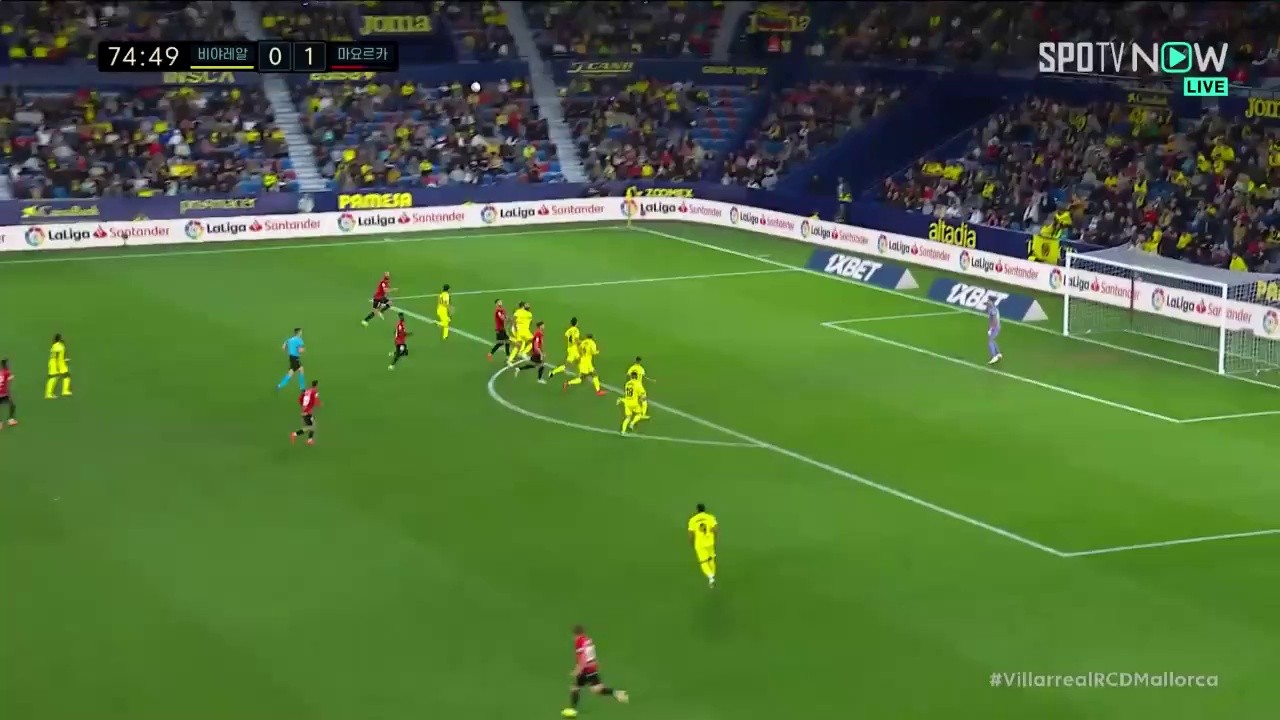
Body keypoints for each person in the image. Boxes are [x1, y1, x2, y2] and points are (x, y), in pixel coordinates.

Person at [562, 625, 629, 718]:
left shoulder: (579, 641)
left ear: (576, 634)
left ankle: (572, 710)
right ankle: (617, 693)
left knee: (576, 688)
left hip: (585, 669)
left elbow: (583, 657)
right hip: (592, 668)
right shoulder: (588, 640)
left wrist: (578, 670)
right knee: (596, 689)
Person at [687, 503, 718, 587]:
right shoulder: (710, 517)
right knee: (711, 559)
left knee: (703, 562)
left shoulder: (692, 520)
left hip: (700, 544)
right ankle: (713, 575)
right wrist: (714, 539)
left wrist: (691, 542)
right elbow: (715, 530)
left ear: (697, 510)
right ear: (704, 509)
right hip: (710, 542)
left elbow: (690, 533)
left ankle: (711, 577)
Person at [291, 380, 320, 445]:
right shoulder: (314, 391)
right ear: (317, 385)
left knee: (312, 426)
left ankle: (309, 440)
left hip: (306, 411)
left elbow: (300, 399)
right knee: (310, 427)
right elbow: (315, 399)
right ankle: (294, 434)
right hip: (307, 412)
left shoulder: (307, 391)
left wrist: (303, 406)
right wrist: (318, 404)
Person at [624, 356, 652, 421]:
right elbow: (644, 375)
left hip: (632, 385)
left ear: (635, 360)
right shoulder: (641, 368)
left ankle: (633, 411)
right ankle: (642, 414)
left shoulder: (631, 368)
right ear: (640, 361)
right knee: (644, 400)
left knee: (633, 398)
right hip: (639, 386)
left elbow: (628, 375)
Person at [46, 333, 71, 399]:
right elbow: (56, 356)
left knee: (66, 376)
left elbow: (60, 354)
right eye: (61, 337)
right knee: (54, 377)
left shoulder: (57, 345)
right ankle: (49, 394)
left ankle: (65, 391)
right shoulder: (58, 345)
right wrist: (57, 366)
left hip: (60, 363)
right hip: (56, 363)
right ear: (59, 339)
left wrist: (65, 359)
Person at [0, 358, 16, 427]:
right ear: (6, 365)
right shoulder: (7, 372)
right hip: (3, 393)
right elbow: (7, 383)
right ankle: (10, 420)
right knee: (12, 405)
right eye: (8, 363)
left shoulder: (0, 372)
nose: (9, 364)